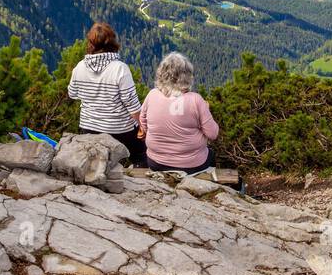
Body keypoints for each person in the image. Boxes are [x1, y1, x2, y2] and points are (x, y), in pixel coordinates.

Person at [66, 22, 146, 166]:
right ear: (113, 42)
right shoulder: (120, 69)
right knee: (141, 153)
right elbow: (133, 107)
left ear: (91, 43)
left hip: (89, 128)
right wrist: (143, 126)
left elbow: (72, 94)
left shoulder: (79, 67)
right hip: (119, 130)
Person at [139, 52, 219, 174]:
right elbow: (213, 134)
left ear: (161, 74)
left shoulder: (152, 95)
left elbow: (143, 123)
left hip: (156, 162)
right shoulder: (196, 100)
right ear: (187, 76)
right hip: (192, 165)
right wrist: (205, 110)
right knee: (211, 154)